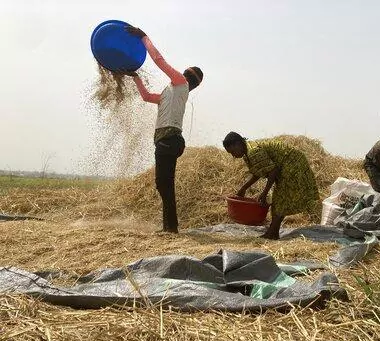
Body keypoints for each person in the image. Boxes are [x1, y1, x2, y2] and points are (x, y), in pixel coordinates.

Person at [121, 26, 204, 233]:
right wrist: (135, 77)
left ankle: (171, 227)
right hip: (166, 141)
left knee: (163, 183)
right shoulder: (170, 93)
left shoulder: (180, 83)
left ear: (186, 76)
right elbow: (147, 97)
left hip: (169, 140)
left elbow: (159, 60)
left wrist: (143, 36)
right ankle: (169, 226)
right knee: (163, 184)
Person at [223, 132, 319, 240]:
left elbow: (273, 171)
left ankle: (272, 233)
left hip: (293, 164)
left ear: (238, 144)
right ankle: (273, 232)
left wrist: (264, 193)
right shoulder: (248, 152)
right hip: (286, 165)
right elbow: (258, 171)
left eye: (232, 151)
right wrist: (243, 188)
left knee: (280, 199)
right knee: (280, 200)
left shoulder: (253, 152)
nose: (233, 156)